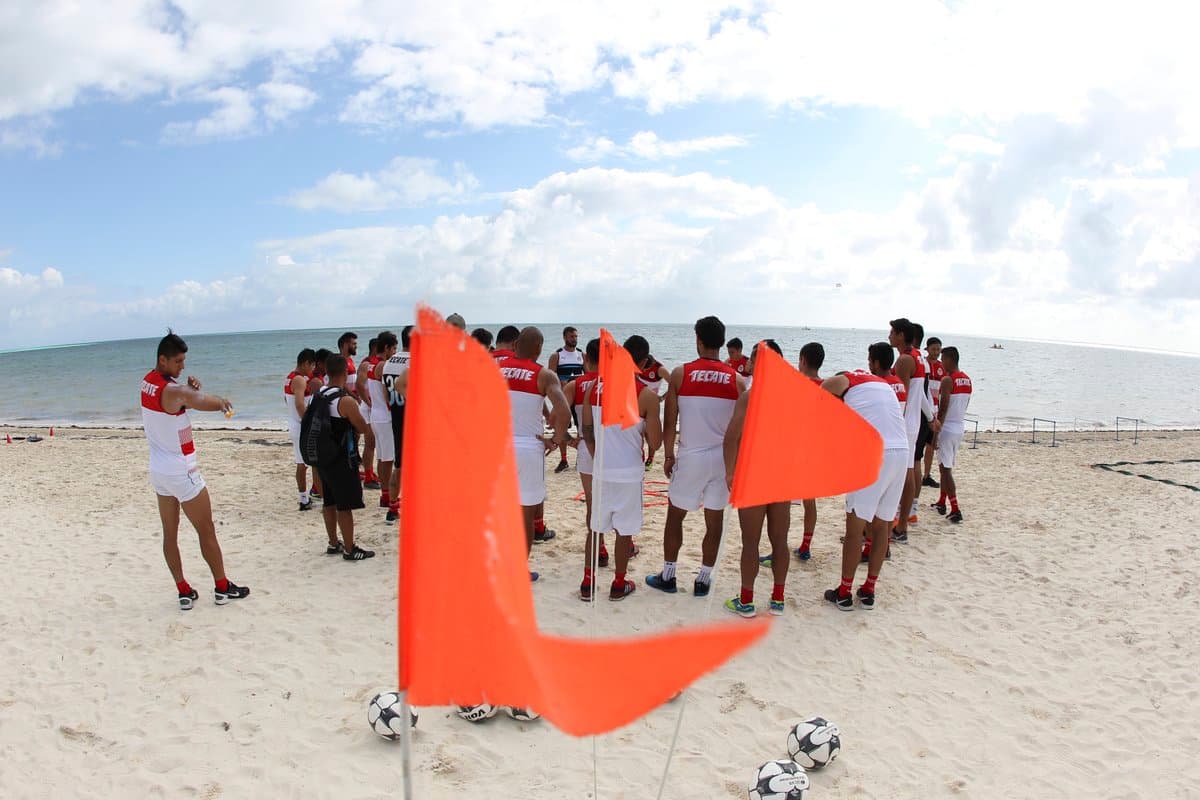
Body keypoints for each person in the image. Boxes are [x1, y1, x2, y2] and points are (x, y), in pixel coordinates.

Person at [141, 330, 249, 609]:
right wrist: (220, 402)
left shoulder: (148, 382)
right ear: (162, 360)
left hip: (159, 472)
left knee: (170, 534)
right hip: (183, 471)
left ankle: (183, 591)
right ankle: (222, 588)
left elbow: (182, 397)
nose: (182, 366)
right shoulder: (173, 390)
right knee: (206, 530)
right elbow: (195, 400)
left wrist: (189, 390)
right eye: (178, 361)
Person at [647, 316, 746, 597]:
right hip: (722, 461)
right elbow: (740, 429)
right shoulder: (737, 381)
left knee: (675, 517)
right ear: (722, 342)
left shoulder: (681, 374)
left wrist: (668, 455)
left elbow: (670, 422)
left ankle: (669, 575)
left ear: (698, 340)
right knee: (713, 523)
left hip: (691, 456)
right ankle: (703, 579)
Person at [819, 342, 909, 611]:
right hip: (901, 452)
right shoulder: (882, 386)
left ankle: (844, 592)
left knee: (854, 528)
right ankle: (869, 590)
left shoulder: (847, 379)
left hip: (875, 455)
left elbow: (822, 393)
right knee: (882, 526)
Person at [579, 335, 663, 601]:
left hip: (601, 468)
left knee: (595, 527)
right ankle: (618, 582)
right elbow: (656, 442)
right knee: (624, 530)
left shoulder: (594, 386)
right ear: (644, 362)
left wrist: (597, 456)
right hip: (628, 472)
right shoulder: (646, 395)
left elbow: (587, 430)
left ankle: (588, 581)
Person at [499, 327, 571, 581]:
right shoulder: (544, 375)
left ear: (515, 344)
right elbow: (564, 412)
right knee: (526, 514)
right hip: (528, 449)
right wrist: (556, 439)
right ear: (540, 349)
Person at [723, 340, 788, 618]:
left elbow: (731, 438)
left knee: (751, 541)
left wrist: (730, 471)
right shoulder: (792, 395)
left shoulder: (751, 396)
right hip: (782, 474)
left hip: (754, 474)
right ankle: (777, 599)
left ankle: (747, 600)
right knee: (779, 541)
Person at [314, 355, 377, 561]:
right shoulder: (345, 400)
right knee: (345, 505)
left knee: (329, 502)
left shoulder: (320, 394)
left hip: (323, 456)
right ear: (344, 373)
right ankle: (350, 548)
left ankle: (333, 543)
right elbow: (361, 426)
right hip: (341, 458)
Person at [886, 318, 929, 544]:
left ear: (901, 335)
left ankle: (899, 524)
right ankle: (901, 522)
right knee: (909, 470)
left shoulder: (904, 359)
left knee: (903, 473)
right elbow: (920, 393)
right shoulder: (918, 357)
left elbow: (899, 397)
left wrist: (893, 423)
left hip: (903, 423)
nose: (890, 335)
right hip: (913, 422)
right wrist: (931, 417)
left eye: (893, 332)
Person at [564, 339, 603, 566]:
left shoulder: (575, 385)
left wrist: (568, 438)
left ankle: (599, 547)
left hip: (587, 449)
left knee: (592, 503)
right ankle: (624, 546)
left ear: (586, 359)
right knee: (616, 503)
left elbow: (559, 414)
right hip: (615, 450)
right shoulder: (622, 384)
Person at [932, 347, 972, 523]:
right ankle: (942, 501)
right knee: (944, 466)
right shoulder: (967, 379)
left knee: (946, 470)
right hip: (959, 425)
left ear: (949, 359)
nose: (941, 362)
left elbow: (944, 406)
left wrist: (936, 429)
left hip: (947, 427)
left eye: (943, 359)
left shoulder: (949, 379)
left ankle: (955, 508)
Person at [794, 342, 825, 560]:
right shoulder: (828, 386)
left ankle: (780, 547)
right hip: (818, 451)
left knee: (781, 505)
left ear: (803, 360)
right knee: (809, 501)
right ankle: (806, 545)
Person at [380, 325, 413, 523]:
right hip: (412, 419)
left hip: (396, 417)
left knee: (399, 465)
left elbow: (385, 391)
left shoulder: (390, 361)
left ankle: (392, 508)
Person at [365, 331, 399, 511]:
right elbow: (388, 392)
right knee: (388, 459)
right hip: (385, 416)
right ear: (386, 348)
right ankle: (387, 495)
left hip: (375, 414)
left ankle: (385, 494)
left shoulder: (370, 364)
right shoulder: (384, 365)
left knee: (381, 457)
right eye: (393, 348)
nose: (395, 352)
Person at [907, 322, 936, 522]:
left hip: (913, 417)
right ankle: (912, 509)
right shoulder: (922, 362)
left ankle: (908, 511)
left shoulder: (912, 360)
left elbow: (918, 393)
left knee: (910, 465)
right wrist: (931, 416)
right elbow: (924, 393)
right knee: (914, 463)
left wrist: (931, 416)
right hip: (921, 417)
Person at [548, 326, 585, 473]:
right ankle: (564, 460)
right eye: (571, 337)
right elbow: (550, 378)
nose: (574, 339)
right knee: (562, 427)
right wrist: (560, 383)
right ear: (565, 337)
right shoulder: (557, 355)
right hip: (563, 398)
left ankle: (581, 458)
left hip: (579, 397)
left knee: (582, 428)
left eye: (576, 336)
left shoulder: (582, 355)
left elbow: (588, 375)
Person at [285, 348, 318, 510]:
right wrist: (309, 422)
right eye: (312, 366)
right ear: (306, 363)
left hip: (294, 423)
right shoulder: (299, 380)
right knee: (303, 464)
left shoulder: (289, 378)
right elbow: (299, 404)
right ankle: (304, 499)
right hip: (300, 426)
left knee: (303, 463)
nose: (312, 370)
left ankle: (305, 498)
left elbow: (288, 401)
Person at [637, 353, 670, 468]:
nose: (643, 370)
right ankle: (640, 454)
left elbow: (673, 385)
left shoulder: (660, 369)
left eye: (646, 369)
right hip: (639, 401)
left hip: (652, 403)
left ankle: (650, 459)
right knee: (639, 430)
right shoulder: (639, 366)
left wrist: (662, 397)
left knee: (651, 434)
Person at [922, 336, 946, 488]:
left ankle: (926, 475)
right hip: (924, 408)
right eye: (933, 349)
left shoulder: (942, 366)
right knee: (920, 444)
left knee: (931, 444)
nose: (936, 352)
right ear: (927, 349)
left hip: (935, 409)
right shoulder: (923, 364)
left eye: (938, 349)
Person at [359, 338, 381, 489]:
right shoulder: (366, 364)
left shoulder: (376, 363)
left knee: (374, 443)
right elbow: (359, 385)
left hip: (372, 408)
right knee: (370, 442)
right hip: (367, 408)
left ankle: (370, 472)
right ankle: (368, 476)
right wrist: (368, 402)